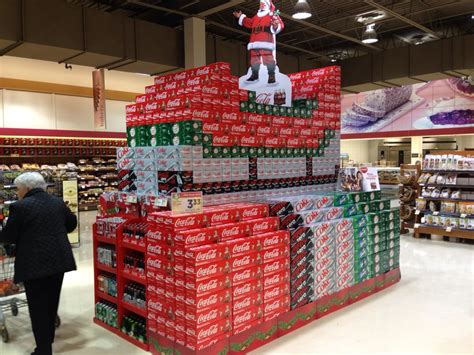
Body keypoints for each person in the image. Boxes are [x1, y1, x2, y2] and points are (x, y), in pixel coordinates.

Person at [0, 172, 77, 355]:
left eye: (18, 189)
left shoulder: (20, 207)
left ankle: (43, 349)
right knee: (51, 302)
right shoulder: (57, 202)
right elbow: (71, 224)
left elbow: (9, 236)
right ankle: (47, 340)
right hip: (59, 260)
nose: (17, 193)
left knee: (38, 308)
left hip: (34, 264)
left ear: (26, 188)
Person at [233, 0, 284, 84]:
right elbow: (249, 22)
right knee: (254, 59)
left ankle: (271, 76)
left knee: (268, 58)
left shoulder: (272, 15)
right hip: (254, 40)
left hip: (265, 40)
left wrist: (275, 24)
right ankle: (254, 75)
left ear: (267, 5)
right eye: (260, 4)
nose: (261, 5)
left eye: (263, 4)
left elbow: (280, 25)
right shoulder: (256, 17)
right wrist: (241, 17)